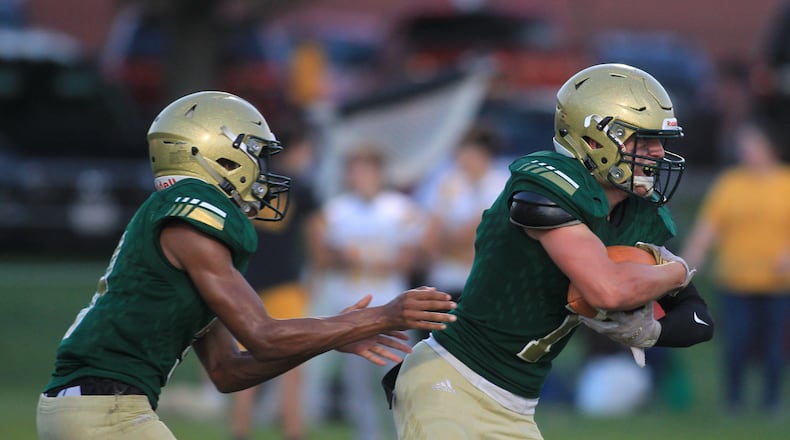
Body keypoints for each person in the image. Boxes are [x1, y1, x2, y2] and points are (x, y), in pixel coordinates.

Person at [36, 91, 458, 440]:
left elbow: (228, 370)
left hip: (95, 406)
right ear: (214, 155)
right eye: (253, 153)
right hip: (104, 409)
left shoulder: (188, 229)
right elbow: (263, 336)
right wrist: (383, 315)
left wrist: (329, 336)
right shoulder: (191, 221)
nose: (261, 169)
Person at [385, 63, 715, 439]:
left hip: (515, 405)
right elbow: (606, 290)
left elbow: (700, 320)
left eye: (661, 141)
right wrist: (677, 270)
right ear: (593, 140)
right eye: (644, 140)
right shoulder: (544, 184)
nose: (658, 154)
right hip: (452, 379)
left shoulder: (640, 212)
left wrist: (652, 332)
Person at [307, 143, 425, 440]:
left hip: (393, 305)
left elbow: (414, 256)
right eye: (356, 170)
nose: (362, 176)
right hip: (354, 304)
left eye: (367, 170)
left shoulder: (399, 208)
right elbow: (321, 256)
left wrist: (370, 258)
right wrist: (343, 257)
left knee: (400, 379)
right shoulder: (337, 210)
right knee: (358, 381)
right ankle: (368, 435)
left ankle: (407, 433)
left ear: (379, 173)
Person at [682, 119, 790, 416]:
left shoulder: (786, 183)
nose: (747, 151)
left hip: (777, 283)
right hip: (734, 280)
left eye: (753, 144)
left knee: (773, 347)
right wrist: (684, 268)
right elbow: (708, 229)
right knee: (737, 343)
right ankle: (734, 402)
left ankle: (771, 402)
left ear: (770, 146)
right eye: (743, 145)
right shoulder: (730, 183)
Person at [228, 116, 319, 440]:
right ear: (301, 148)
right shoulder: (303, 186)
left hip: (246, 281)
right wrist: (316, 273)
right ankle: (293, 432)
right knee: (293, 362)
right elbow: (315, 238)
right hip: (286, 282)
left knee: (245, 362)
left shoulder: (247, 181)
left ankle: (240, 431)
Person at [420, 122, 509, 301]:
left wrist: (449, 241)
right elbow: (429, 238)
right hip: (447, 279)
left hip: (487, 279)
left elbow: (479, 231)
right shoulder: (447, 183)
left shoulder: (501, 184)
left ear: (483, 155)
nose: (459, 157)